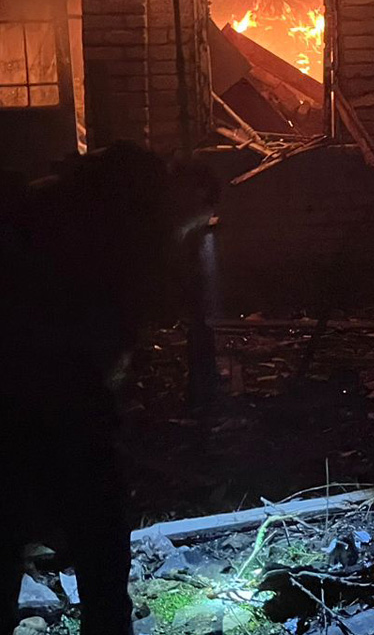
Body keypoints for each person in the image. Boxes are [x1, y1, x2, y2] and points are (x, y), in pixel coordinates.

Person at [0, 143, 214, 635]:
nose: (192, 233)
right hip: (61, 393)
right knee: (98, 530)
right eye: (198, 219)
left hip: (23, 390)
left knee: (16, 521)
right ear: (189, 192)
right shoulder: (133, 222)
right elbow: (111, 321)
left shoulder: (69, 200)